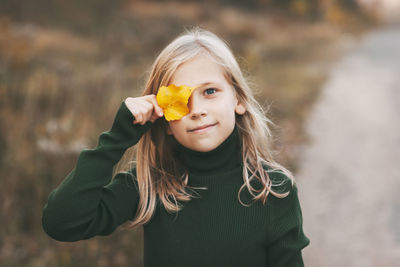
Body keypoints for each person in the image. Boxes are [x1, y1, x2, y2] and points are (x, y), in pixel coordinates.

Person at [42, 28, 309, 267]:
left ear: (238, 99)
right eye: (180, 100)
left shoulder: (273, 189)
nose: (197, 111)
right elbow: (62, 223)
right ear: (164, 119)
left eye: (210, 92)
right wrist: (117, 138)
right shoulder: (149, 184)